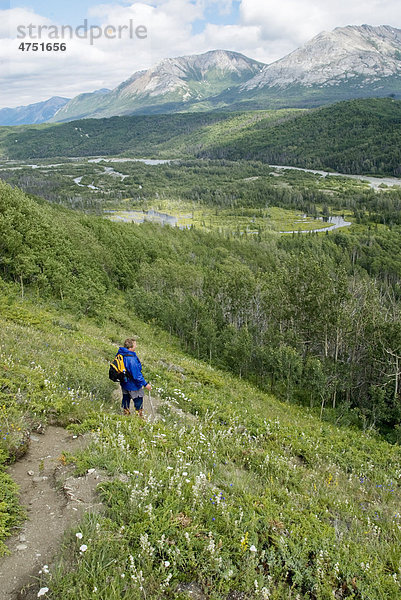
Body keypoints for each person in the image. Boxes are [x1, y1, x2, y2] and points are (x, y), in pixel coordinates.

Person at [117, 337, 151, 417]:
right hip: (133, 385)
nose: (136, 346)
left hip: (124, 383)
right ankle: (139, 419)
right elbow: (136, 375)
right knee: (138, 402)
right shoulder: (131, 359)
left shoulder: (121, 354)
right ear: (130, 347)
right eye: (135, 345)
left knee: (126, 400)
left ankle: (126, 415)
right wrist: (146, 384)